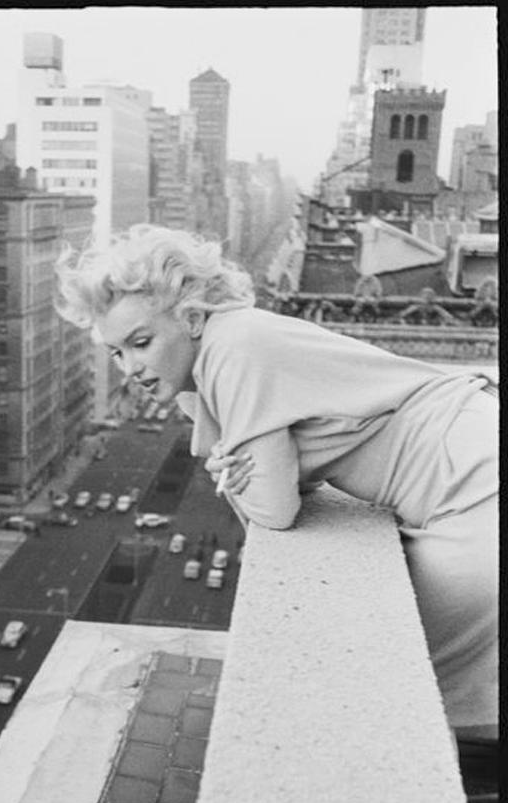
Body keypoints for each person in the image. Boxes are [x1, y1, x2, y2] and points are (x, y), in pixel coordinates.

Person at [55, 223, 498, 737]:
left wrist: (234, 471)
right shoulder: (226, 348)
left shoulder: (233, 350)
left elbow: (274, 511)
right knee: (412, 697)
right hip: (468, 462)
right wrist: (243, 467)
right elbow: (283, 487)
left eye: (141, 342)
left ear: (193, 319)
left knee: (400, 700)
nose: (130, 366)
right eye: (117, 352)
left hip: (473, 484)